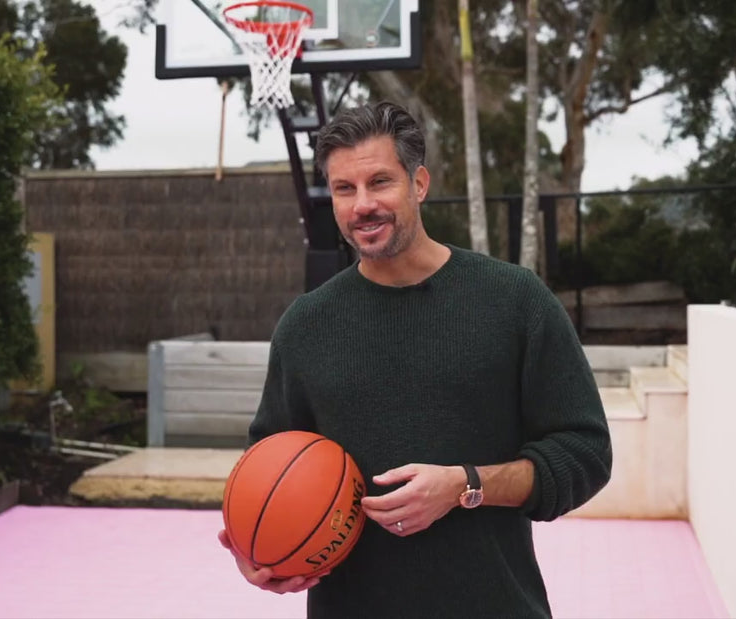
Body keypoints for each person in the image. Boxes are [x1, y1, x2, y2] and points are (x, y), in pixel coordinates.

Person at [217, 101, 612, 618]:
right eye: (344, 189)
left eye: (380, 182)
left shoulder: (514, 301)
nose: (362, 205)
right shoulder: (306, 326)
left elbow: (585, 454)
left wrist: (465, 485)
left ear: (419, 183)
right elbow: (268, 468)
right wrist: (261, 551)